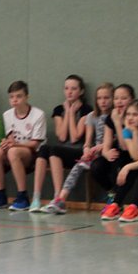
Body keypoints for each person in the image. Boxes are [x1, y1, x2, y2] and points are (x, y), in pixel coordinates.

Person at [43, 82, 114, 214]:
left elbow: (114, 139)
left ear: (112, 99)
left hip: (109, 151)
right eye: (99, 98)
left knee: (100, 166)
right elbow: (88, 140)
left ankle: (112, 196)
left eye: (106, 98)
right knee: (79, 165)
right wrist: (87, 149)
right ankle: (61, 199)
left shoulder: (115, 116)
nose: (103, 101)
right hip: (94, 152)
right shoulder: (92, 116)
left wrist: (101, 147)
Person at [31, 75, 92, 212]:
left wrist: (71, 113)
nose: (69, 92)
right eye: (66, 88)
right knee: (44, 149)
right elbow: (62, 136)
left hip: (78, 152)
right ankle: (36, 197)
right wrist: (67, 111)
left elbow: (75, 137)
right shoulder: (59, 109)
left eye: (73, 89)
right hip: (62, 150)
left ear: (81, 91)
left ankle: (58, 197)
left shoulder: (86, 110)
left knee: (54, 150)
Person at [0, 80, 46, 210]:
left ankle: (22, 196)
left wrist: (15, 144)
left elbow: (35, 144)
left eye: (19, 96)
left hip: (32, 154)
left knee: (13, 152)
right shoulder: (7, 115)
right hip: (14, 149)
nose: (15, 100)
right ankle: (0, 194)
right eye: (11, 97)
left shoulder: (38, 115)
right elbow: (10, 138)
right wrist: (6, 143)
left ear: (27, 97)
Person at [90, 83, 136, 213]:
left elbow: (124, 146)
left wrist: (118, 122)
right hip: (117, 152)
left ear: (131, 99)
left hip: (132, 154)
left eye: (123, 98)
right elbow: (106, 144)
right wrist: (106, 153)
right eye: (116, 98)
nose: (119, 101)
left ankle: (116, 203)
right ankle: (112, 193)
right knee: (97, 166)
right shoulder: (111, 117)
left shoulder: (133, 117)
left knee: (118, 161)